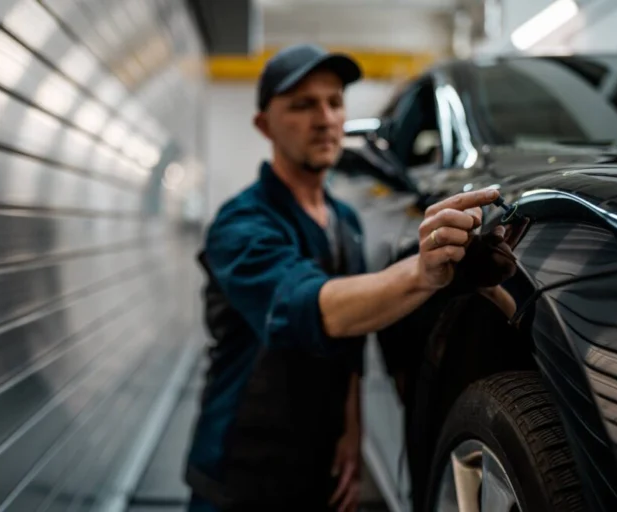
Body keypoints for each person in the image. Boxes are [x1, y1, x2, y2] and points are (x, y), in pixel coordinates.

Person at [184, 43, 515, 512]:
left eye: (334, 102)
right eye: (302, 105)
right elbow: (318, 308)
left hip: (318, 466)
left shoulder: (345, 221)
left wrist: (351, 434)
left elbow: (350, 348)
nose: (324, 118)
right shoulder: (241, 225)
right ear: (264, 125)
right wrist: (422, 273)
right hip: (241, 473)